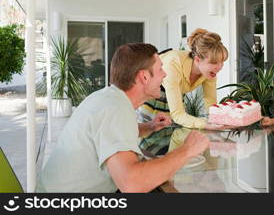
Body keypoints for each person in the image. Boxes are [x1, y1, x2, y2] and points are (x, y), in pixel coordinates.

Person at [36, 43, 209, 193]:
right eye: (160, 69)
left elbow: (105, 135)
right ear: (144, 76)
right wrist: (187, 150)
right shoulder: (115, 109)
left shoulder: (108, 98)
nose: (164, 75)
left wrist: (148, 127)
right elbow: (132, 184)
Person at [137, 28, 228, 154]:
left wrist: (218, 121)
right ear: (197, 60)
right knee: (149, 146)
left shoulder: (209, 72)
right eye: (214, 62)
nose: (219, 67)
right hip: (152, 96)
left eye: (222, 62)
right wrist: (205, 124)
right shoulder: (173, 65)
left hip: (174, 95)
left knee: (172, 140)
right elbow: (178, 115)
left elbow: (210, 102)